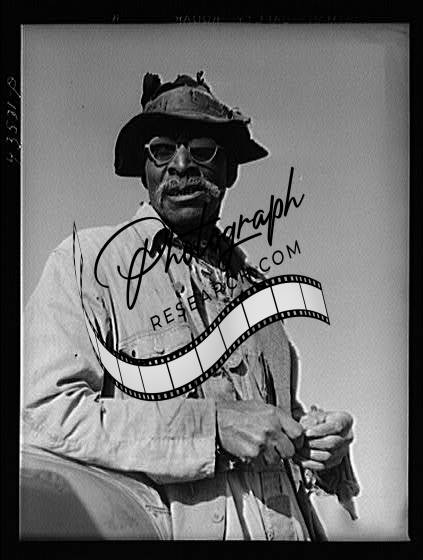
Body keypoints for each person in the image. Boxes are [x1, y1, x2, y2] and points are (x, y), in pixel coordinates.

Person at [21, 71, 359, 540]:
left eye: (202, 149)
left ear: (230, 170)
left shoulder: (257, 293)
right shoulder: (87, 266)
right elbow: (45, 416)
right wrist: (213, 429)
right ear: (144, 169)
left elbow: (271, 427)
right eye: (162, 150)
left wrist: (317, 447)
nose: (181, 165)